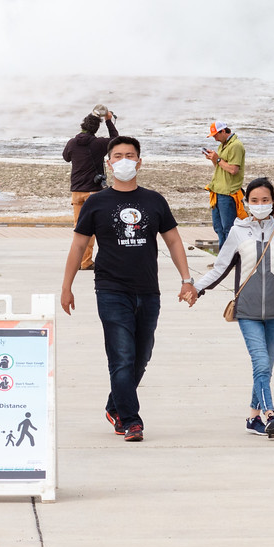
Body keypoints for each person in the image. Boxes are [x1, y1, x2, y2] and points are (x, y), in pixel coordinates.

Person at [61, 135, 195, 443]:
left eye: (130, 155)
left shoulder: (154, 200)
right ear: (109, 163)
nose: (124, 160)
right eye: (118, 155)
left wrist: (186, 279)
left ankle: (114, 405)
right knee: (121, 355)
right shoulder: (96, 202)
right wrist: (66, 286)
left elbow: (173, 240)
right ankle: (131, 419)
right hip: (111, 290)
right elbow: (79, 244)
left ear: (139, 161)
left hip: (148, 290)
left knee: (141, 355)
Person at [191, 176, 274, 438]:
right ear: (246, 203)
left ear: (273, 203)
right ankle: (270, 414)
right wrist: (196, 288)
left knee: (265, 368)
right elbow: (220, 268)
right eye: (255, 200)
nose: (260, 204)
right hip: (247, 311)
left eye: (265, 200)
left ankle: (252, 417)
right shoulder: (238, 232)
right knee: (260, 363)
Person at [62, 110, 112, 268]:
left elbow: (66, 157)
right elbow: (116, 140)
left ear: (82, 125)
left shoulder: (72, 142)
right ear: (96, 128)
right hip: (94, 191)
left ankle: (79, 260)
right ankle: (86, 261)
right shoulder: (99, 144)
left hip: (76, 190)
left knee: (79, 227)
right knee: (96, 226)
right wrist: (109, 120)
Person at [202, 120, 245, 247]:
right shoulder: (223, 145)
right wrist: (213, 159)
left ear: (223, 131)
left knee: (228, 229)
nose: (214, 138)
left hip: (228, 193)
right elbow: (219, 167)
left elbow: (233, 169)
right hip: (217, 191)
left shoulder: (236, 145)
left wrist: (218, 159)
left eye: (215, 135)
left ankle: (230, 259)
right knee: (219, 229)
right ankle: (223, 259)